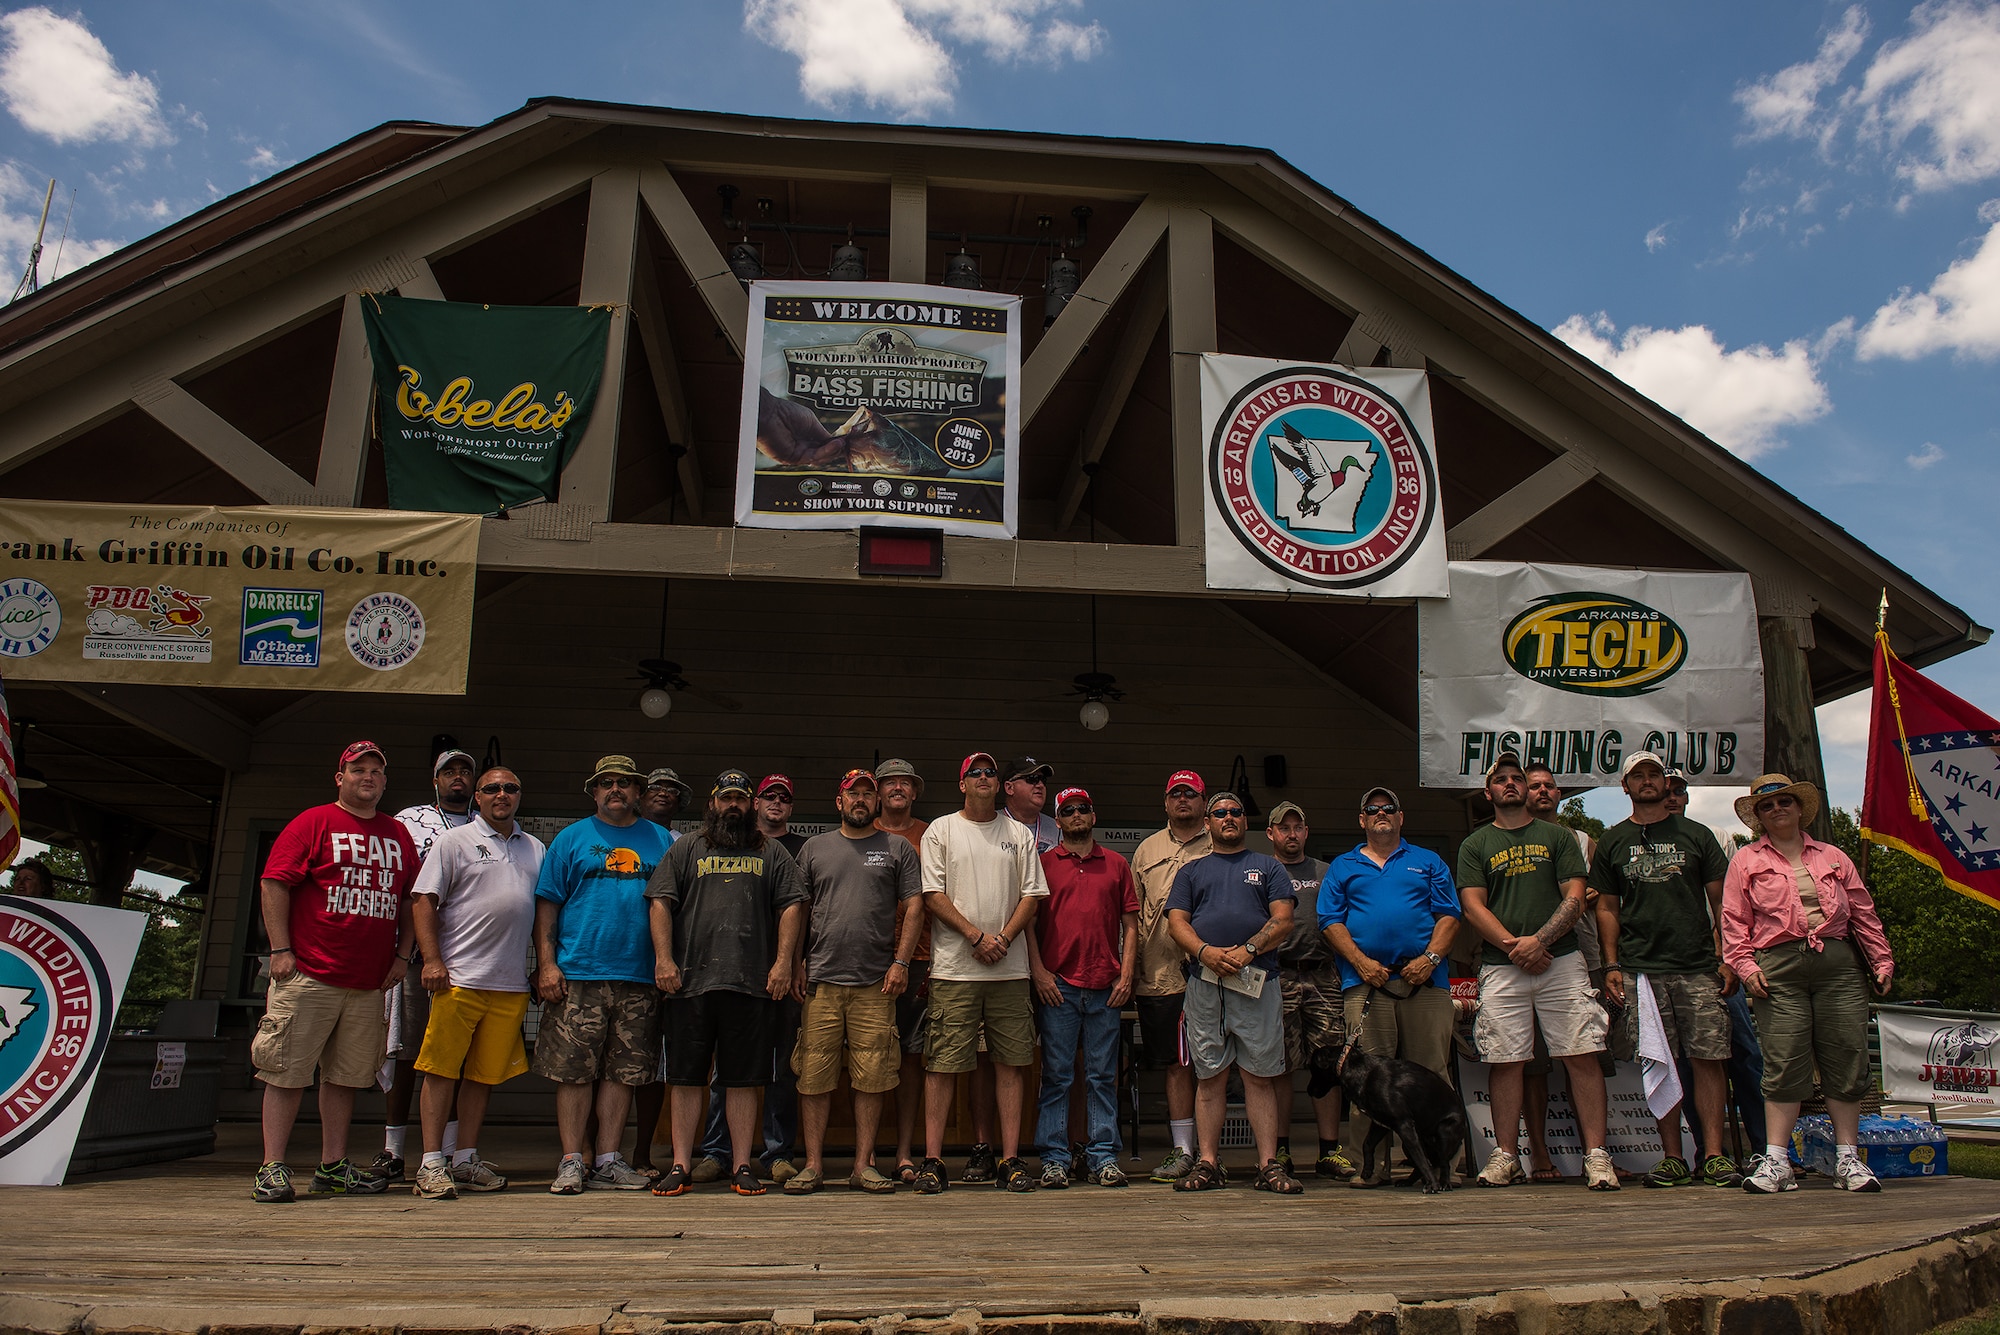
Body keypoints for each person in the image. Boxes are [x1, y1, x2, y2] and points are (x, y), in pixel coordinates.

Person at [250, 740, 418, 1203]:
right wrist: (280, 949)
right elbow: (274, 882)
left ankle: (333, 1166)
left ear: (385, 781)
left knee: (346, 1077)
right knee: (286, 1071)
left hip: (367, 982)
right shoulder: (314, 822)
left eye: (376, 771)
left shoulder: (397, 833)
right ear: (340, 778)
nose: (368, 777)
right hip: (309, 973)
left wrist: (402, 956)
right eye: (358, 769)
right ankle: (271, 1166)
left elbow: (409, 898)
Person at [1722, 774, 1895, 1195]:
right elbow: (1733, 920)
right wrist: (1745, 967)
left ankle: (1848, 1158)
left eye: (1785, 802)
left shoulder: (1834, 856)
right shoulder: (1745, 860)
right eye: (1767, 806)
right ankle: (1777, 1160)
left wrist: (1882, 960)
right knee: (1783, 1059)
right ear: (1759, 817)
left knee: (1846, 1055)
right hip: (1777, 967)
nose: (1777, 809)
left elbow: (1864, 913)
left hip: (1838, 965)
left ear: (1800, 808)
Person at [1456, 752, 1618, 1191]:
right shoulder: (1475, 844)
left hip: (1561, 962)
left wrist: (1539, 942)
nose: (1510, 783)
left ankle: (1597, 1156)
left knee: (1580, 1052)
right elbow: (1472, 906)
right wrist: (1516, 947)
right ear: (1488, 792)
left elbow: (1576, 896)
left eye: (1517, 778)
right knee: (1506, 1059)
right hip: (1502, 965)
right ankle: (1507, 1156)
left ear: (1527, 788)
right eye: (1501, 779)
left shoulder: (1557, 836)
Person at [646, 769, 808, 1198]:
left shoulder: (771, 851)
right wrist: (664, 959)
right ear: (713, 803)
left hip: (750, 984)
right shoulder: (687, 847)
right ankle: (681, 1164)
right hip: (689, 983)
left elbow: (792, 905)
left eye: (740, 798)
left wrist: (783, 964)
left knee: (743, 1079)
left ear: (751, 805)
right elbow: (660, 901)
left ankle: (741, 1165)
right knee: (685, 1078)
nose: (732, 805)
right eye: (726, 798)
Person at [1591, 751, 1740, 1189]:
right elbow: (1607, 907)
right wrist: (1611, 964)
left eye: (1654, 774)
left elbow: (1722, 900)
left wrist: (1727, 954)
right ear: (1625, 786)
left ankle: (1713, 1155)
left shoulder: (1697, 835)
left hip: (1698, 965)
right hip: (1641, 967)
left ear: (1665, 782)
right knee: (1660, 1060)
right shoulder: (1613, 840)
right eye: (1637, 775)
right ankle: (1672, 1156)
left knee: (1709, 1057)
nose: (1647, 781)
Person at [531, 754, 673, 1194]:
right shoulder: (570, 839)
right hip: (579, 974)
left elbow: (673, 905)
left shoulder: (662, 840)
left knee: (623, 1072)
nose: (616, 789)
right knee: (573, 1071)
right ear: (594, 791)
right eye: (606, 782)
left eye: (625, 782)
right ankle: (573, 1159)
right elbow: (547, 904)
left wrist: (667, 962)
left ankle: (609, 1160)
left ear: (638, 792)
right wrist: (547, 964)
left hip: (640, 977)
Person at [913, 751, 1049, 1194]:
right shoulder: (941, 830)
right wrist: (975, 936)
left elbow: (1032, 895)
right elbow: (932, 894)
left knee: (1012, 1064)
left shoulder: (1018, 833)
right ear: (962, 784)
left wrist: (1003, 939)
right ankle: (933, 1161)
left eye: (991, 772)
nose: (985, 777)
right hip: (955, 971)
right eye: (976, 772)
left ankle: (1010, 1159)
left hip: (1010, 971)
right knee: (943, 1065)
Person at [406, 766, 544, 1200]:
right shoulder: (454, 841)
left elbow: (541, 913)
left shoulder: (535, 847)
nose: (502, 794)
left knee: (483, 1076)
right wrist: (432, 960)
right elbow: (423, 900)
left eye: (510, 788)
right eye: (492, 788)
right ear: (477, 798)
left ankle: (464, 1158)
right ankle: (431, 1163)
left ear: (519, 795)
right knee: (440, 1070)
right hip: (458, 978)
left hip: (509, 983)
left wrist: (543, 965)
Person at [786, 769, 922, 1194]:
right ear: (839, 802)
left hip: (876, 985)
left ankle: (863, 1165)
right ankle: (813, 1165)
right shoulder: (814, 849)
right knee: (814, 1076)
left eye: (867, 794)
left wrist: (901, 962)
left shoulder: (897, 848)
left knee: (873, 1076)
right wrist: (794, 962)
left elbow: (915, 906)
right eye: (853, 794)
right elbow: (798, 908)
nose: (860, 800)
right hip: (821, 982)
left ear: (876, 802)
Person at [1319, 786, 1459, 1187]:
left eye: (1389, 808)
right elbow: (1329, 920)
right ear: (1362, 820)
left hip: (1425, 984)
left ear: (1401, 817)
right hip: (1366, 984)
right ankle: (1371, 1168)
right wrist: (1361, 963)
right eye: (1372, 809)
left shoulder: (1427, 861)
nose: (1381, 813)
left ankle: (1440, 1166)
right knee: (1365, 1078)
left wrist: (1430, 958)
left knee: (1431, 1075)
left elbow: (1449, 915)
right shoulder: (1343, 866)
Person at [1164, 791, 1298, 1194]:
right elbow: (1177, 922)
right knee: (1210, 1076)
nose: (1228, 817)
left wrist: (1248, 950)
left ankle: (1268, 1164)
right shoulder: (1191, 871)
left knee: (1260, 1077)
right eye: (1220, 812)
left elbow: (1284, 920)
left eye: (1236, 812)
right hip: (1206, 984)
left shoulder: (1268, 867)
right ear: (1207, 823)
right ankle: (1207, 1162)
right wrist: (1204, 951)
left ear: (1245, 821)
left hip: (1258, 983)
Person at [690, 772, 807, 1183]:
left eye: (784, 797)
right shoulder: (718, 842)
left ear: (791, 806)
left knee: (780, 1066)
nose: (776, 802)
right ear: (754, 803)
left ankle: (777, 1154)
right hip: (725, 975)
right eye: (768, 796)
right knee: (725, 1069)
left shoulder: (798, 849)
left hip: (778, 975)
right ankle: (717, 1152)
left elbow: (800, 909)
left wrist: (792, 963)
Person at [1028, 785, 1139, 1189]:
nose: (1077, 815)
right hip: (1058, 985)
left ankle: (1103, 1156)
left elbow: (1131, 924)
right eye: (1068, 810)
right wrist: (1039, 973)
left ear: (1094, 816)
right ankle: (1054, 1158)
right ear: (1057, 821)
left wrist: (1126, 974)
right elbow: (1028, 924)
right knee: (1057, 1075)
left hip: (1105, 984)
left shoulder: (1116, 864)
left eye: (1083, 809)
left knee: (1102, 1076)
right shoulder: (1042, 864)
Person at [377, 747, 478, 1182]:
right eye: (448, 771)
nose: (457, 777)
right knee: (406, 1051)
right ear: (435, 781)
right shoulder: (409, 820)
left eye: (465, 771)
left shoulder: (485, 823)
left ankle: (450, 1153)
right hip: (417, 956)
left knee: (455, 1058)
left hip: (468, 956)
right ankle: (393, 1150)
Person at [1666, 768, 1769, 1152]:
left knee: (1745, 1053)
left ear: (1688, 796)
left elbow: (1731, 904)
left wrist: (1728, 955)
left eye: (1679, 790)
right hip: (1668, 965)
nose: (1672, 797)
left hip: (1717, 963)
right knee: (1686, 1063)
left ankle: (1765, 1149)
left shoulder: (1715, 837)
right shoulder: (1635, 841)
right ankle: (1706, 1152)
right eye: (1666, 790)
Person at [1519, 762, 1607, 1184]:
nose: (1542, 791)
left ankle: (1597, 1153)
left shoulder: (1583, 841)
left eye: (1549, 786)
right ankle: (1539, 1154)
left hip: (1581, 957)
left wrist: (1589, 895)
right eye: (1534, 786)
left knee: (1583, 1057)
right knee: (1533, 1066)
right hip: (1525, 960)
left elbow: (1607, 897)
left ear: (1559, 793)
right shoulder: (1510, 839)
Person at [1266, 800, 1353, 1180]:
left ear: (1306, 832)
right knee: (1279, 1065)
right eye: (1283, 828)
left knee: (1328, 1064)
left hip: (1322, 976)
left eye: (1297, 827)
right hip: (1278, 975)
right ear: (1271, 833)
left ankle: (1329, 1151)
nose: (1291, 834)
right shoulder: (1263, 871)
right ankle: (1280, 1149)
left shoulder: (1326, 872)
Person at [1131, 769, 1210, 1182]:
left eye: (1190, 794)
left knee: (1214, 1062)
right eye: (1176, 794)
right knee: (1176, 1064)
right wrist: (1130, 969)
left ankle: (1210, 1154)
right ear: (1165, 802)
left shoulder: (1220, 842)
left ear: (1203, 802)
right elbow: (1131, 917)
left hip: (1214, 973)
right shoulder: (1147, 849)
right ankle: (1182, 1150)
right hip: (1160, 975)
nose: (1183, 800)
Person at [631, 766, 692, 1180]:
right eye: (655, 787)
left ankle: (641, 1153)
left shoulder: (683, 844)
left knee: (654, 1067)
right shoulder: (615, 833)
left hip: (666, 970)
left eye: (672, 789)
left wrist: (671, 959)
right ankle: (591, 1153)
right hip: (618, 962)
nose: (664, 793)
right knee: (604, 1069)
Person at [872, 757, 931, 1183]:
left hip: (921, 958)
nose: (897, 788)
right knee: (870, 1057)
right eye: (889, 782)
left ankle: (905, 1152)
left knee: (911, 1056)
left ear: (914, 792)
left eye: (905, 783)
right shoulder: (862, 830)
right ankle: (867, 1153)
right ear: (877, 792)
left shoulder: (931, 835)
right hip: (867, 960)